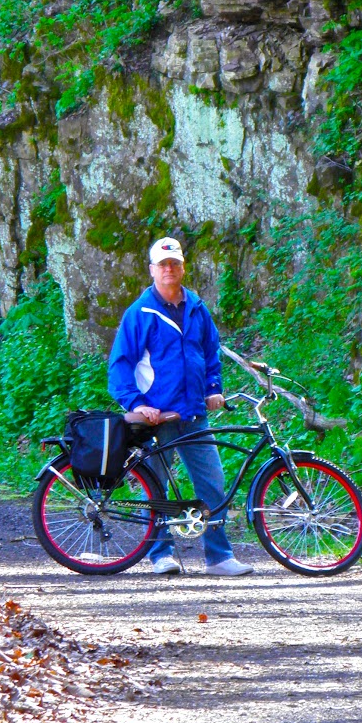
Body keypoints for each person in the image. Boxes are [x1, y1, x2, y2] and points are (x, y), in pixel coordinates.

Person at [107, 237, 253, 577]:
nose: (169, 269)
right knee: (156, 486)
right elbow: (119, 367)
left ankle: (219, 557)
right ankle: (161, 554)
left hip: (193, 414)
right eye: (162, 264)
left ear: (183, 267)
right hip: (157, 418)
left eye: (174, 263)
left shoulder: (197, 308)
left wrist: (214, 388)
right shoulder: (139, 314)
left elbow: (210, 353)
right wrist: (137, 404)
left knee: (213, 483)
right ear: (152, 270)